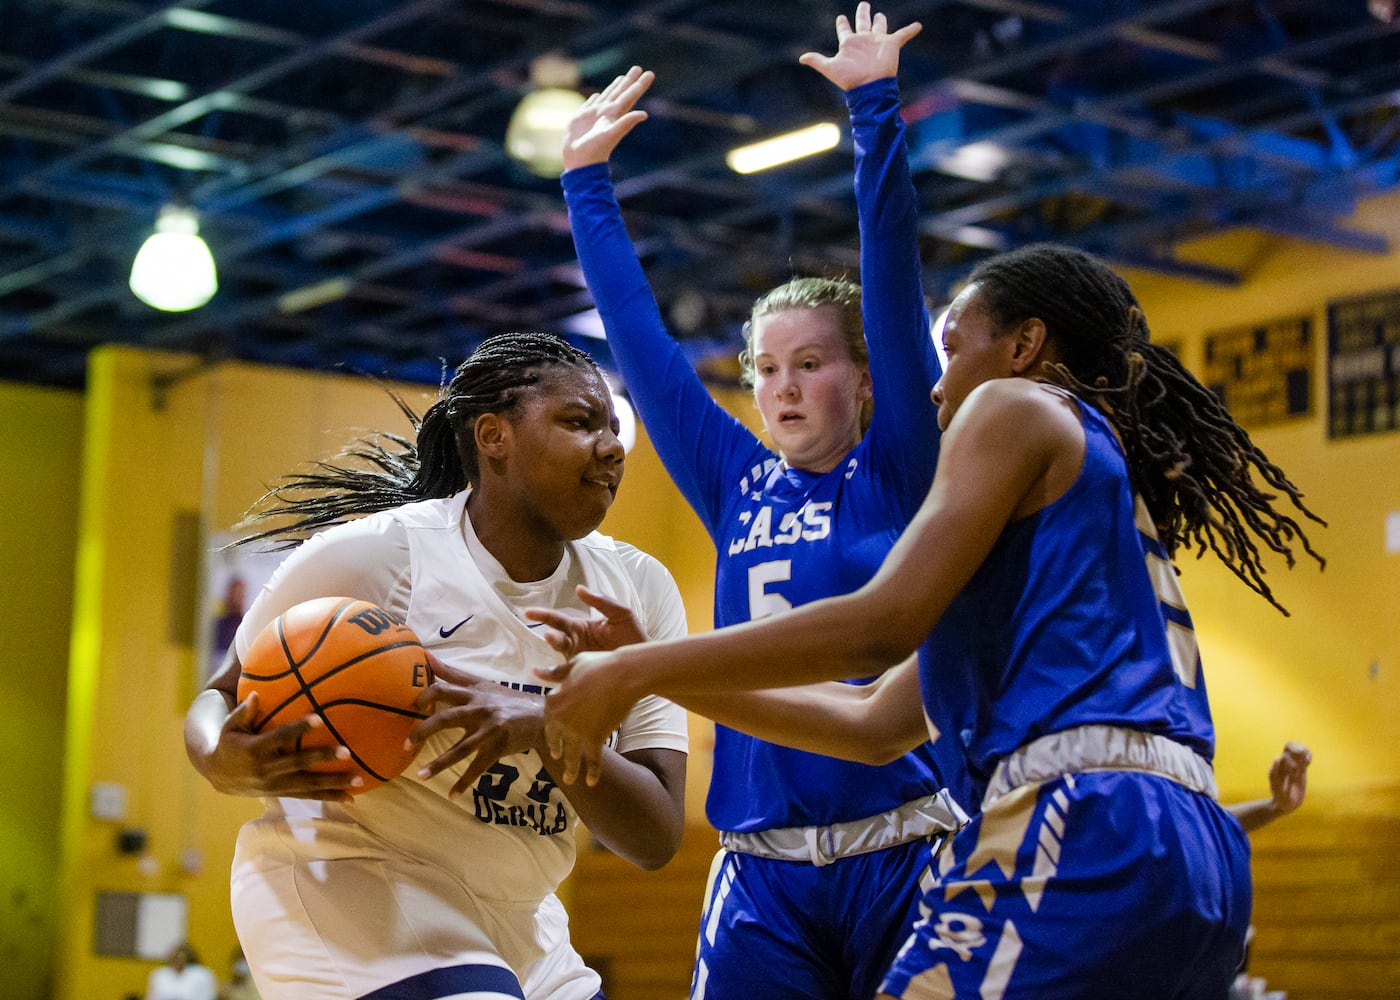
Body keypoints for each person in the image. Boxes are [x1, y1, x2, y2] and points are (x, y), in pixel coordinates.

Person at [536, 237, 1326, 998]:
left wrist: (637, 669)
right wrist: (655, 668)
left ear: (1025, 346)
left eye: (952, 350)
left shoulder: (1017, 405)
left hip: (1077, 817)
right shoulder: (1076, 500)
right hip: (1194, 844)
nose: (938, 385)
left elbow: (881, 626)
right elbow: (874, 721)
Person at [560, 10, 968, 999]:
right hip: (760, 868)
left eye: (812, 363)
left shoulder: (901, 470)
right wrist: (584, 185)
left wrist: (875, 108)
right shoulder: (734, 480)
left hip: (906, 846)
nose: (782, 387)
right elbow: (641, 346)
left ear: (866, 380)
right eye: (766, 369)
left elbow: (890, 282)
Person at [184, 331, 689, 1000]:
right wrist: (221, 755)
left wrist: (548, 724)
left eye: (612, 427)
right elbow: (219, 696)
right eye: (579, 421)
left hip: (520, 914)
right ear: (493, 436)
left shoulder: (638, 589)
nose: (612, 446)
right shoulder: (379, 558)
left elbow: (655, 837)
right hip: (348, 876)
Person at [146, 942, 217, 1000]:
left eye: (181, 959)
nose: (178, 962)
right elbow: (152, 997)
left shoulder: (202, 974)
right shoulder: (160, 974)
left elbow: (207, 996)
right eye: (175, 958)